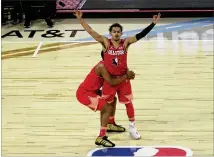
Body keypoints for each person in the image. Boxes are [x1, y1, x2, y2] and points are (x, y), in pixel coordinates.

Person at [74, 10, 161, 140]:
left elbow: (140, 35)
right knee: (106, 106)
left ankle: (132, 127)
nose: (116, 33)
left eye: (118, 31)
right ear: (110, 33)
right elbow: (91, 32)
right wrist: (81, 20)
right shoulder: (105, 43)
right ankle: (107, 127)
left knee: (128, 103)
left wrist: (153, 24)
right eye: (114, 31)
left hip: (123, 80)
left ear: (121, 33)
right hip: (110, 81)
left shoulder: (125, 43)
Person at [76, 51, 135, 147]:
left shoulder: (111, 66)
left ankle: (110, 124)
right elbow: (111, 82)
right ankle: (101, 137)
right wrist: (126, 76)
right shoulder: (102, 67)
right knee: (106, 108)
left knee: (113, 99)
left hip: (93, 91)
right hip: (85, 94)